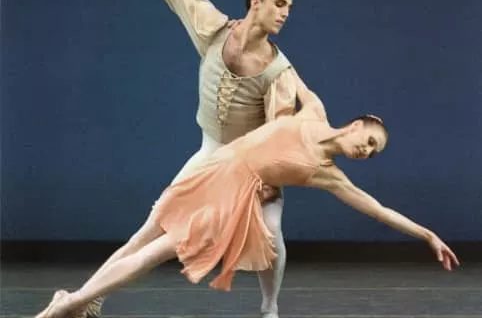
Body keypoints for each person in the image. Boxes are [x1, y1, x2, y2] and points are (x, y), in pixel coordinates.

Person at [34, 72, 459, 318]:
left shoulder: (328, 174)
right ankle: (80, 301)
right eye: (368, 141)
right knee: (143, 239)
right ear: (354, 126)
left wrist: (426, 235)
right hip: (211, 170)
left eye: (373, 152)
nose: (366, 151)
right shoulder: (313, 111)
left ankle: (69, 303)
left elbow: (379, 210)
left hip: (231, 197)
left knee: (156, 252)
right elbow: (283, 66)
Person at [87, 0, 301, 317]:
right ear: (255, 3)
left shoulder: (278, 72)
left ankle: (270, 308)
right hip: (209, 153)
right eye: (279, 3)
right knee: (151, 228)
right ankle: (89, 297)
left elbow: (279, 130)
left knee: (271, 233)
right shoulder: (215, 31)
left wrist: (267, 180)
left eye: (289, 7)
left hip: (251, 166)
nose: (285, 13)